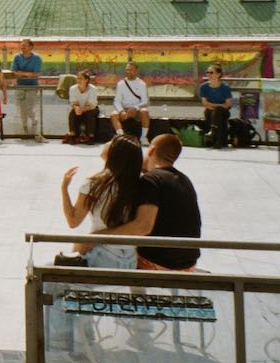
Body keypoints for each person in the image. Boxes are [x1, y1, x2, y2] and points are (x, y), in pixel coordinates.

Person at [87, 133, 201, 271]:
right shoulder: (185, 180)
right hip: (189, 264)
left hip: (157, 264)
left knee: (111, 253)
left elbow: (143, 227)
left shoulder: (151, 181)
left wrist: (97, 237)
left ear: (152, 150)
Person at [59, 135, 142, 269]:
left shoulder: (95, 184)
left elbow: (73, 221)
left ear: (114, 153)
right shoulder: (142, 183)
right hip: (130, 258)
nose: (107, 143)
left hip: (102, 253)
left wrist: (64, 188)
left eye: (111, 142)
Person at [11, 39, 45, 142]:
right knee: (21, 107)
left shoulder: (37, 58)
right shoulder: (17, 57)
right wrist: (28, 74)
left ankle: (34, 120)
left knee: (29, 107)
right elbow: (14, 71)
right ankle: (24, 128)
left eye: (25, 45)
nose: (22, 47)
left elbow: (36, 74)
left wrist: (22, 73)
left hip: (32, 86)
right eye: (21, 45)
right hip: (20, 85)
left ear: (31, 47)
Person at [111, 61, 150, 142]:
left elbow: (145, 101)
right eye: (127, 70)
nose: (128, 72)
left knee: (145, 111)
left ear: (136, 71)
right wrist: (121, 111)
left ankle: (143, 137)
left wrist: (135, 108)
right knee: (114, 114)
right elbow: (117, 101)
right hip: (124, 110)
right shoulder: (120, 84)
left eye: (131, 70)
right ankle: (121, 137)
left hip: (136, 110)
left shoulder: (142, 84)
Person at [199, 62, 233, 149]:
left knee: (217, 112)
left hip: (223, 111)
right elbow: (205, 103)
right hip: (210, 109)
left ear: (218, 74)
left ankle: (213, 134)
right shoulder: (203, 87)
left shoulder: (224, 87)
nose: (209, 74)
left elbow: (228, 104)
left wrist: (216, 106)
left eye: (211, 72)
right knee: (212, 112)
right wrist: (219, 105)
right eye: (207, 72)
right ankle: (217, 140)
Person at [64, 70, 99, 144]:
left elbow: (92, 105)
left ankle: (91, 136)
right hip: (78, 108)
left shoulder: (93, 89)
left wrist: (82, 109)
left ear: (86, 80)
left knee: (90, 114)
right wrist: (77, 108)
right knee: (73, 113)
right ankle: (72, 136)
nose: (78, 80)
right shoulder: (72, 89)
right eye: (77, 78)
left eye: (81, 78)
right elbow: (73, 102)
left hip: (91, 108)